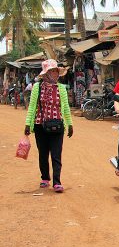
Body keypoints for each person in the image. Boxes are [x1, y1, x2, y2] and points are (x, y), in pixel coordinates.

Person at [24, 59, 73, 193]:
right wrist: (28, 124)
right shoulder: (37, 87)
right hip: (40, 125)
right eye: (52, 71)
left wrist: (70, 124)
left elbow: (66, 108)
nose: (56, 74)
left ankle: (57, 182)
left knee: (56, 154)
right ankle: (45, 178)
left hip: (57, 124)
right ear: (46, 73)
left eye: (56, 71)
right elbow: (32, 107)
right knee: (43, 153)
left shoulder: (61, 88)